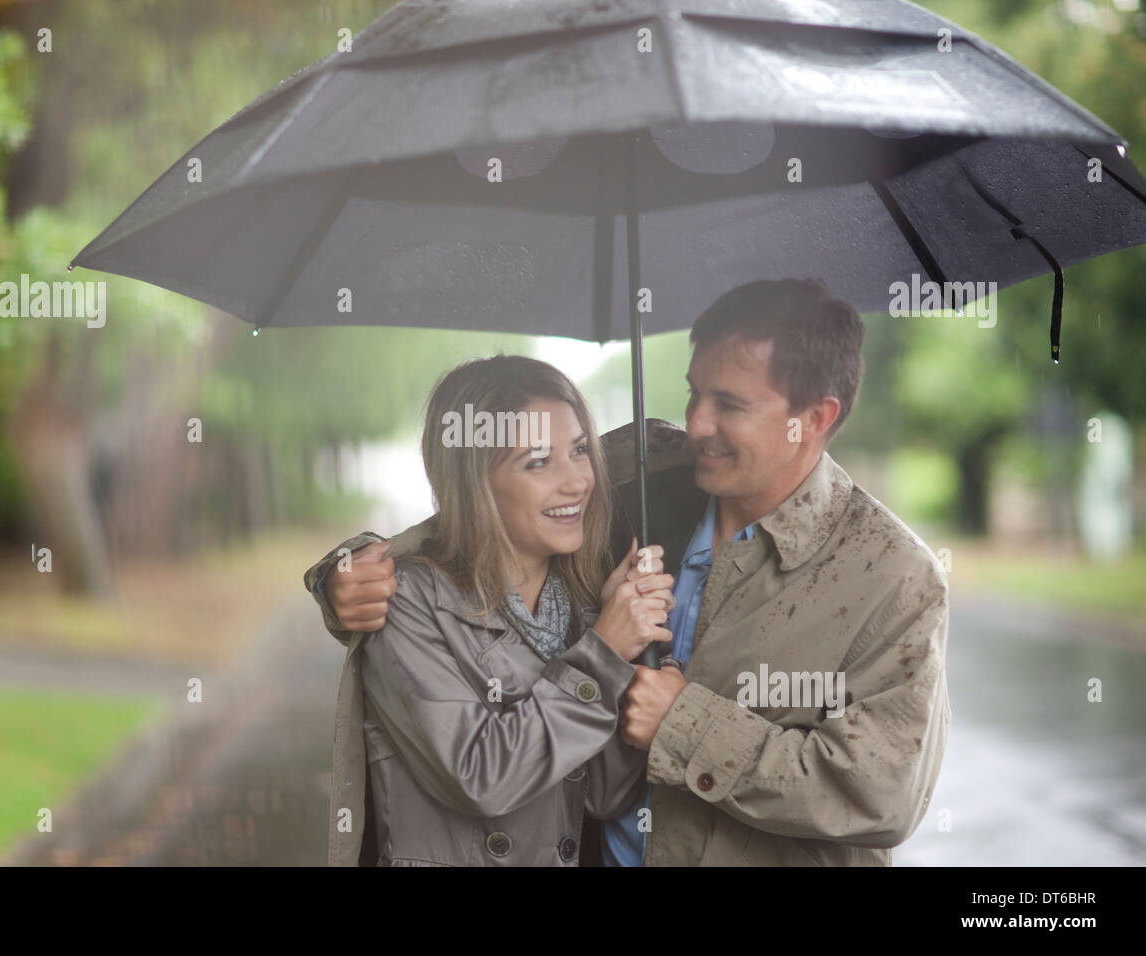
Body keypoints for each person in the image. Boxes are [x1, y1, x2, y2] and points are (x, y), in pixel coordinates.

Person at [309, 278, 951, 866]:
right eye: (695, 391)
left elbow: (881, 794)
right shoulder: (638, 483)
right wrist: (350, 571)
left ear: (814, 418)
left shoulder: (891, 576)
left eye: (729, 404)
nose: (697, 425)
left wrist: (685, 723)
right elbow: (476, 517)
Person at [320, 354, 675, 866]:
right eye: (537, 461)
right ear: (474, 483)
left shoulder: (582, 599)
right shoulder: (409, 604)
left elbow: (604, 796)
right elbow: (480, 778)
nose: (576, 481)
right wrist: (603, 653)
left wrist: (635, 658)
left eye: (579, 451)